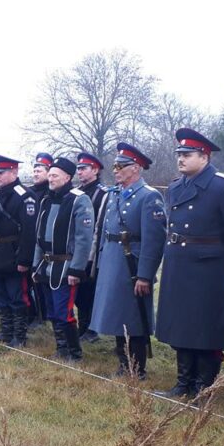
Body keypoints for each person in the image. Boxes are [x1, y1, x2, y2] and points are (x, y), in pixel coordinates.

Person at [155, 128, 224, 399]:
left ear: (204, 157)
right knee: (181, 324)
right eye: (179, 154)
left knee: (205, 328)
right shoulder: (175, 186)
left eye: (187, 155)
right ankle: (182, 383)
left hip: (209, 268)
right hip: (179, 265)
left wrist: (223, 262)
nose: (180, 159)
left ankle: (202, 386)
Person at [89, 144, 166, 379]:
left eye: (120, 166)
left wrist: (144, 274)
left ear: (135, 169)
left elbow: (153, 241)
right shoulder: (114, 194)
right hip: (113, 259)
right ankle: (123, 362)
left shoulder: (149, 196)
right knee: (116, 314)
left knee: (132, 316)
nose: (115, 170)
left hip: (131, 263)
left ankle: (136, 367)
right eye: (114, 166)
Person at [32, 157, 95, 361]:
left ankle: (74, 353)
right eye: (49, 175)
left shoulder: (79, 199)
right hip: (46, 264)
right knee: (51, 310)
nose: (50, 179)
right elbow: (38, 236)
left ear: (67, 177)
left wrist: (77, 269)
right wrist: (36, 264)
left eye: (55, 175)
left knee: (63, 310)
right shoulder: (46, 200)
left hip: (66, 266)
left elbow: (84, 239)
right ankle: (61, 349)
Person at [0, 154, 37, 346]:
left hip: (12, 254)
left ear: (14, 171)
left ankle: (19, 335)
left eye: (1, 173)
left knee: (17, 297)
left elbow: (29, 232)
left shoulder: (24, 196)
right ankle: (6, 330)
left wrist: (24, 260)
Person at [75, 152, 107, 343]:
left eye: (83, 168)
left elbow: (99, 225)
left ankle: (91, 329)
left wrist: (91, 255)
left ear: (95, 170)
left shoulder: (102, 194)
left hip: (93, 250)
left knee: (90, 290)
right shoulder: (78, 192)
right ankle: (83, 325)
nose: (80, 172)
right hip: (78, 247)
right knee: (79, 291)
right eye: (78, 168)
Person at [26, 152, 54, 328]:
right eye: (34, 170)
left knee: (42, 282)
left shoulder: (50, 193)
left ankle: (44, 316)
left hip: (43, 243)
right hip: (29, 241)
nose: (36, 174)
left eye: (40, 170)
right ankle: (33, 313)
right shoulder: (29, 192)